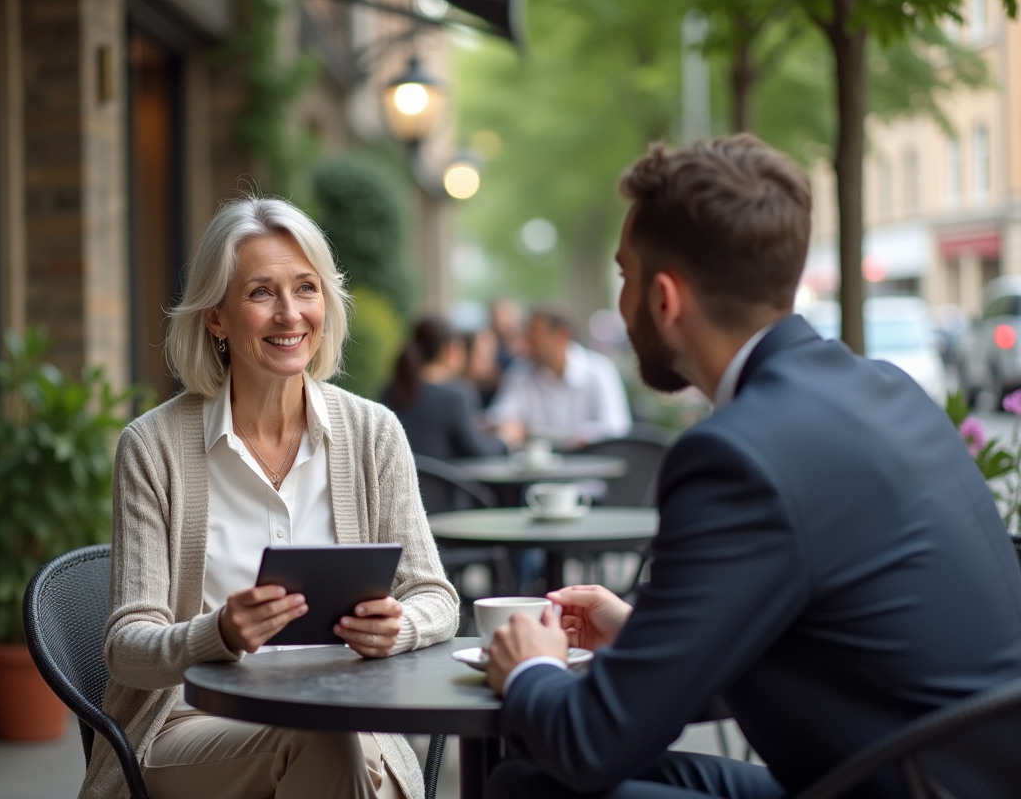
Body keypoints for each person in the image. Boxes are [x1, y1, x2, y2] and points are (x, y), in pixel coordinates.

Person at [483, 136, 1021, 798]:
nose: (621, 305)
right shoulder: (886, 388)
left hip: (894, 786)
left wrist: (532, 670)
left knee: (527, 786)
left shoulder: (737, 455)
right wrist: (641, 630)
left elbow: (593, 743)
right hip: (941, 778)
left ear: (665, 299)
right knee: (537, 770)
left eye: (625, 276)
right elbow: (831, 613)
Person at [81, 197, 459, 799]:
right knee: (327, 748)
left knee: (339, 752)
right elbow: (127, 647)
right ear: (215, 317)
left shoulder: (374, 433)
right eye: (261, 293)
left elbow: (434, 596)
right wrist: (219, 633)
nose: (290, 314)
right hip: (189, 726)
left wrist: (401, 625)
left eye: (306, 288)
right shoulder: (152, 446)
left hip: (351, 720)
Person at [488, 306, 632, 450]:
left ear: (561, 335)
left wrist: (568, 437)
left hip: (590, 464)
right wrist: (504, 424)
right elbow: (500, 415)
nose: (527, 346)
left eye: (534, 339)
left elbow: (616, 427)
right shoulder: (520, 371)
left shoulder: (599, 371)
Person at [384, 316, 506, 461]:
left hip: (401, 481)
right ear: (449, 350)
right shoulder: (456, 395)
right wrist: (505, 440)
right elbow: (478, 451)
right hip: (443, 483)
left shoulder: (391, 390)